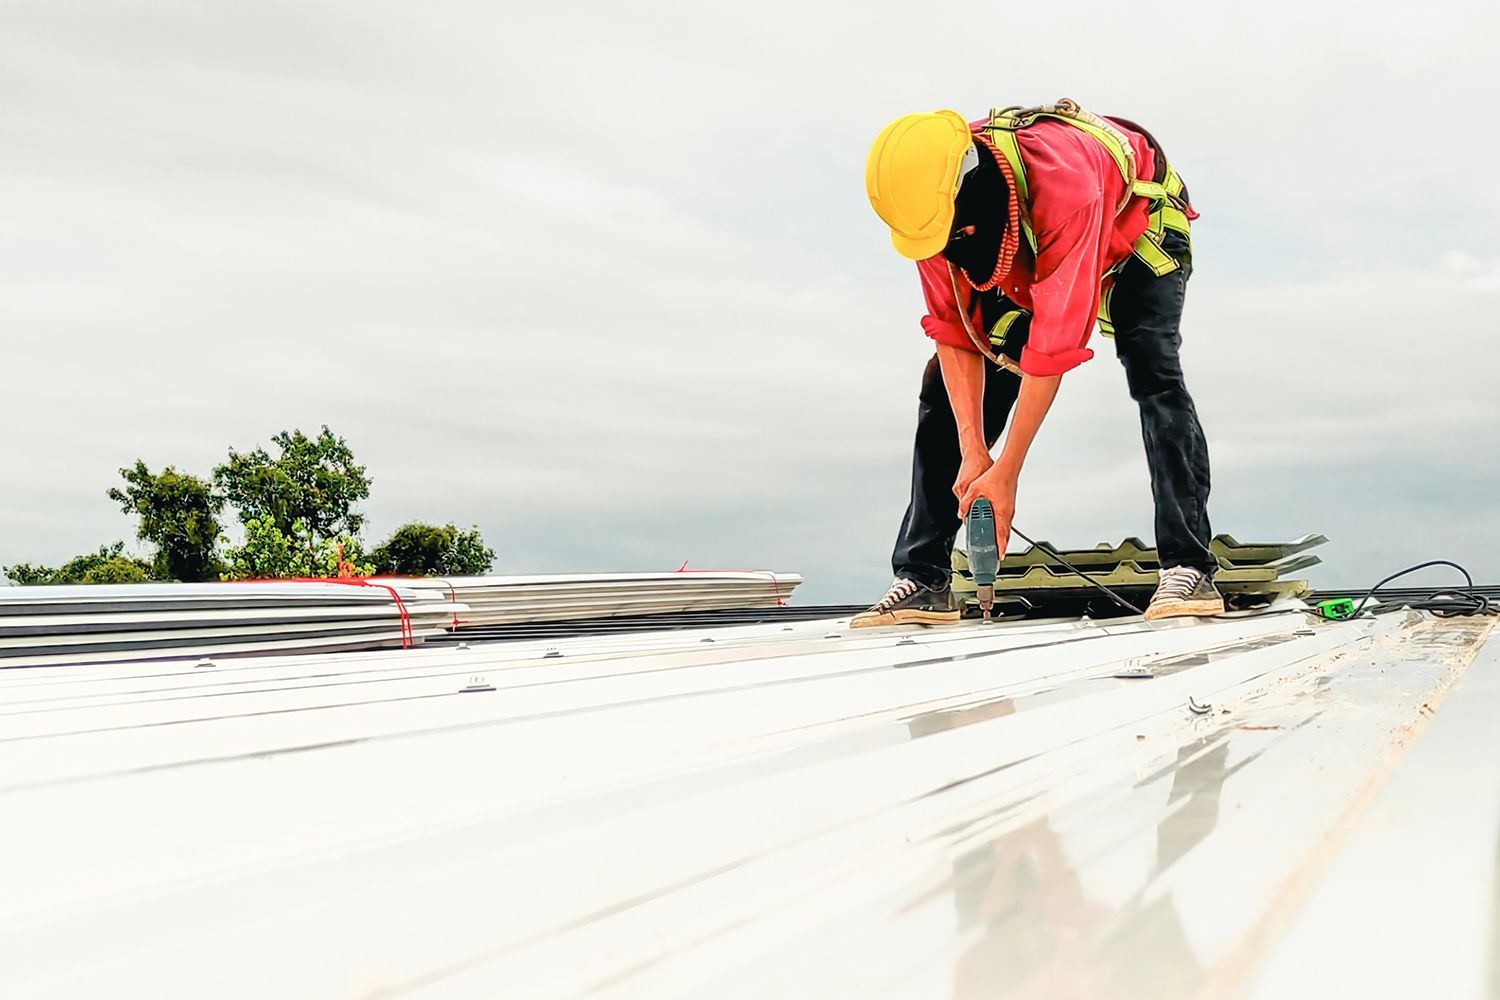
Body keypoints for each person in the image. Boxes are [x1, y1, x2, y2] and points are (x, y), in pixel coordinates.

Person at [855, 100, 1222, 627]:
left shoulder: (1065, 187)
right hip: (1016, 237)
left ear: (967, 187)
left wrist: (1006, 474)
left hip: (1137, 224)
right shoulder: (926, 213)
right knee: (942, 386)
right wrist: (974, 455)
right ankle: (922, 578)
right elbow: (955, 334)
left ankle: (1189, 568)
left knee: (1153, 369)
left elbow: (1050, 352)